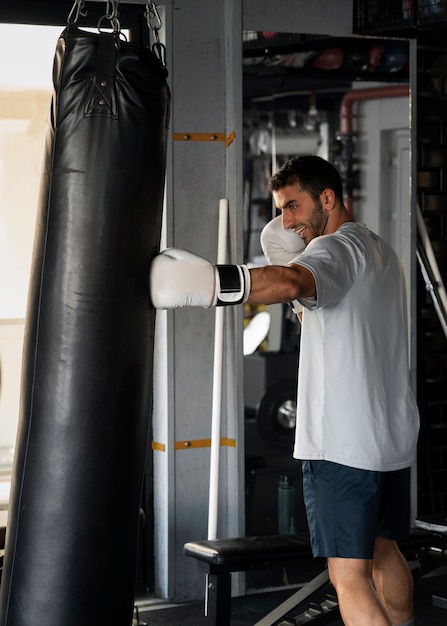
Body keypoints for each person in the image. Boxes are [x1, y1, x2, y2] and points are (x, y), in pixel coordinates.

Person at [150, 155, 420, 626]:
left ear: (328, 198)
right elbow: (313, 297)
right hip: (389, 440)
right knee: (384, 549)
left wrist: (214, 283)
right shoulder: (380, 251)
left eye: (293, 206)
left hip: (342, 444)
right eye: (280, 209)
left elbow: (296, 279)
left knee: (348, 576)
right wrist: (292, 253)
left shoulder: (336, 250)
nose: (285, 221)